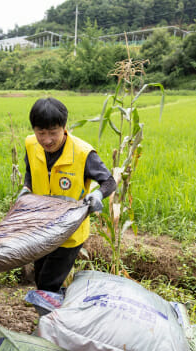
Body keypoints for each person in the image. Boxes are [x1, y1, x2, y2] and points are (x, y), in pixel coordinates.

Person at [19, 97, 116, 294]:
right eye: (41, 133)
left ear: (64, 127)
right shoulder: (31, 144)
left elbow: (109, 182)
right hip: (40, 227)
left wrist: (98, 194)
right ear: (34, 130)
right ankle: (55, 313)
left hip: (69, 232)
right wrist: (27, 188)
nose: (46, 140)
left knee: (47, 284)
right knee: (41, 279)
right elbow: (30, 170)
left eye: (53, 133)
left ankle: (54, 320)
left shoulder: (83, 153)